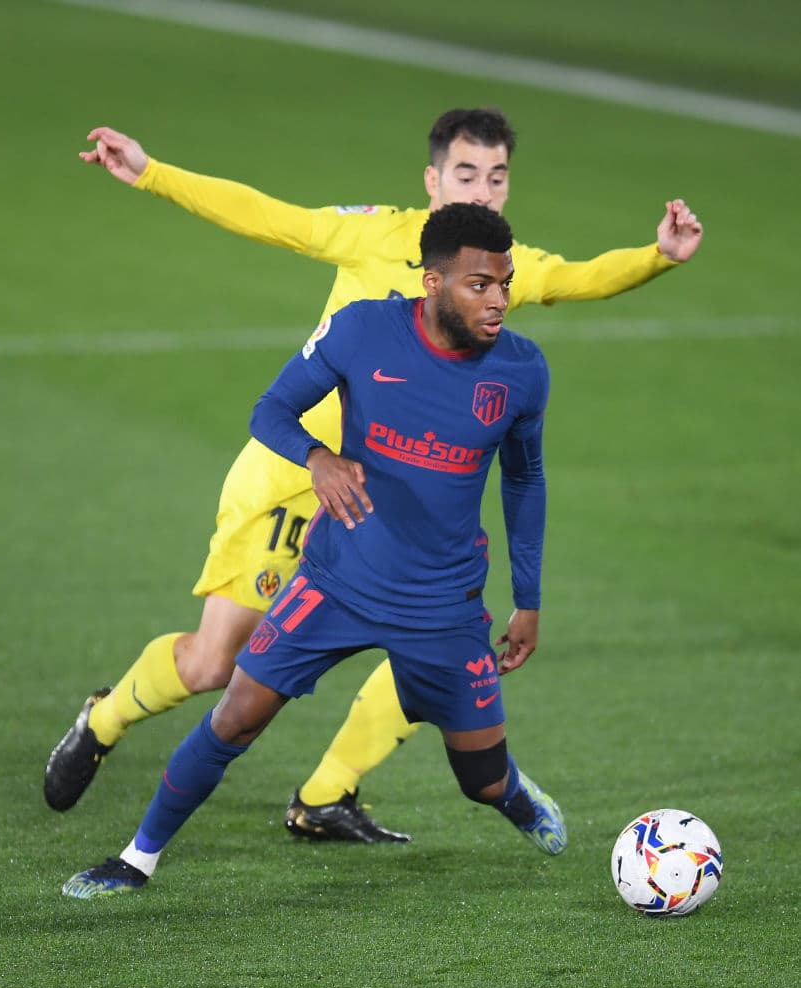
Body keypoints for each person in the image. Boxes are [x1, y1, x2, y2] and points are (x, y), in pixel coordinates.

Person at [45, 108, 703, 842]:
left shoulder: (497, 266)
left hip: (389, 502)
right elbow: (269, 216)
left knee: (429, 639)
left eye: (496, 177)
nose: (482, 190)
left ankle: (326, 792)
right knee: (212, 665)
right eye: (465, 174)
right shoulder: (376, 234)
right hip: (295, 476)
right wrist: (152, 174)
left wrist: (659, 255)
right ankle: (105, 718)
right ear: (432, 179)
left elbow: (580, 278)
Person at [62, 203, 564, 898]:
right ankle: (136, 859)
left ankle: (510, 793)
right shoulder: (362, 331)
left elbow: (525, 480)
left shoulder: (521, 370)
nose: (500, 301)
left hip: (442, 603)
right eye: (480, 285)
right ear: (433, 283)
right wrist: (317, 457)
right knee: (235, 716)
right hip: (336, 582)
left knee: (478, 780)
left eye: (505, 284)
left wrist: (528, 600)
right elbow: (270, 409)